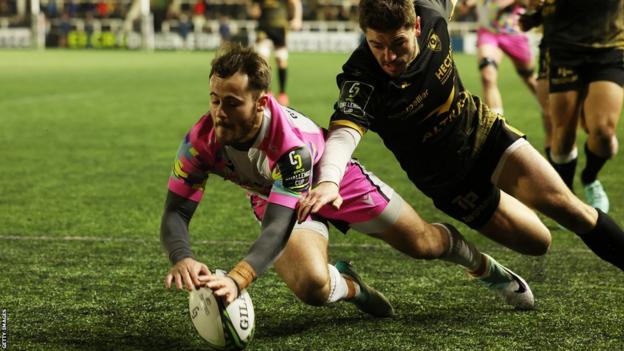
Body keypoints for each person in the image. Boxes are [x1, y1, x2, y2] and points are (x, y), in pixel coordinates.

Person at [161, 44, 537, 317]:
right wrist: (182, 257)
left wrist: (239, 279)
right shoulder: (200, 142)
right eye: (214, 99)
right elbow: (176, 210)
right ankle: (351, 286)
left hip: (334, 179)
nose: (219, 113)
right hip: (275, 193)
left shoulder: (290, 147)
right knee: (312, 287)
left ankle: (485, 268)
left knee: (424, 243)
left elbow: (276, 230)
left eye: (231, 103)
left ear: (260, 104)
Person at [297, 0, 624, 273]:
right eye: (376, 45)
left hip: (483, 134)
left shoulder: (432, 10)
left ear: (417, 27)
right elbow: (343, 134)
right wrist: (328, 181)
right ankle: (484, 254)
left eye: (398, 44)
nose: (388, 57)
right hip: (448, 181)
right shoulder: (361, 77)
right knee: (539, 243)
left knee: (572, 211)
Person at [539, 0, 624, 214]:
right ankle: (566, 195)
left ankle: (590, 178)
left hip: (610, 45)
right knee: (563, 136)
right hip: (563, 47)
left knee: (604, 133)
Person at [463, 0, 539, 116]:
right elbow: (465, 7)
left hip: (514, 34)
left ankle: (551, 110)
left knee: (530, 79)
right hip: (488, 31)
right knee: (487, 77)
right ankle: (496, 127)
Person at [248, 0, 302, 106]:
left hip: (280, 28)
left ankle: (282, 93)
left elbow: (296, 2)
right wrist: (253, 10)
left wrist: (297, 19)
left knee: (281, 61)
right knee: (261, 60)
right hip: (263, 28)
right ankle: (267, 91)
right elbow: (252, 7)